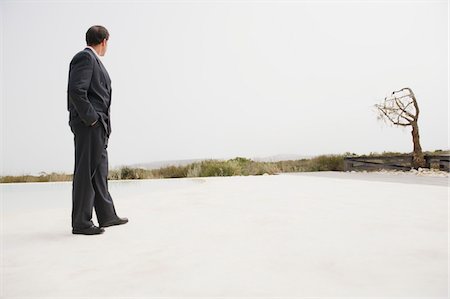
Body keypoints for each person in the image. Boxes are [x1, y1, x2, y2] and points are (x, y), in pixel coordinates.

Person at [67, 25, 128, 235]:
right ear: (104, 41)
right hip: (89, 126)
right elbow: (76, 90)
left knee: (99, 171)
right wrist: (92, 119)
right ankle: (81, 223)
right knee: (86, 172)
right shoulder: (85, 58)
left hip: (98, 127)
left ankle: (107, 215)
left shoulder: (94, 61)